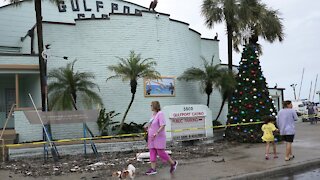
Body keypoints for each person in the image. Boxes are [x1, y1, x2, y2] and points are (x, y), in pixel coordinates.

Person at [145, 101, 178, 175]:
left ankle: (173, 163)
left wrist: (157, 132)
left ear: (155, 106)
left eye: (151, 105)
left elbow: (162, 125)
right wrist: (147, 127)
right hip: (151, 137)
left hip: (158, 137)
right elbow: (152, 125)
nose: (150, 107)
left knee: (160, 152)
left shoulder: (160, 114)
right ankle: (153, 169)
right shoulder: (153, 115)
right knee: (152, 152)